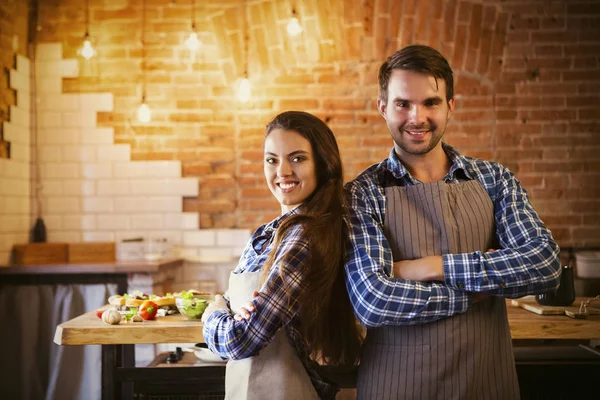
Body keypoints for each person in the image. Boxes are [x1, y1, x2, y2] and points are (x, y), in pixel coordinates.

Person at [344, 45, 561, 399]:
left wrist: (431, 266)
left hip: (487, 384)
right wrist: (476, 292)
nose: (417, 117)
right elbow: (373, 299)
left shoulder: (494, 180)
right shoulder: (362, 193)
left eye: (430, 102)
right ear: (382, 108)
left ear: (450, 106)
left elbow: (545, 265)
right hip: (396, 388)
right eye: (403, 104)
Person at [201, 111, 362, 400]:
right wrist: (229, 309)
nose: (282, 171)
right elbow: (233, 305)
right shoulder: (270, 232)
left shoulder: (304, 236)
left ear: (323, 165)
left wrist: (212, 314)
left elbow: (241, 341)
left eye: (297, 158)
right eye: (272, 159)